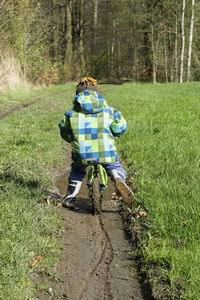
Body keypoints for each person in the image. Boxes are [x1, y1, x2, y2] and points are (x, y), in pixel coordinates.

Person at [59, 77, 134, 208]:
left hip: (82, 153)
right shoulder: (109, 111)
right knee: (114, 166)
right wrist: (115, 132)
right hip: (105, 151)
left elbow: (64, 132)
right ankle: (117, 178)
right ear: (97, 94)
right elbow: (121, 127)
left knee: (77, 171)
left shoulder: (70, 114)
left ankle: (70, 198)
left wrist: (72, 138)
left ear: (77, 96)